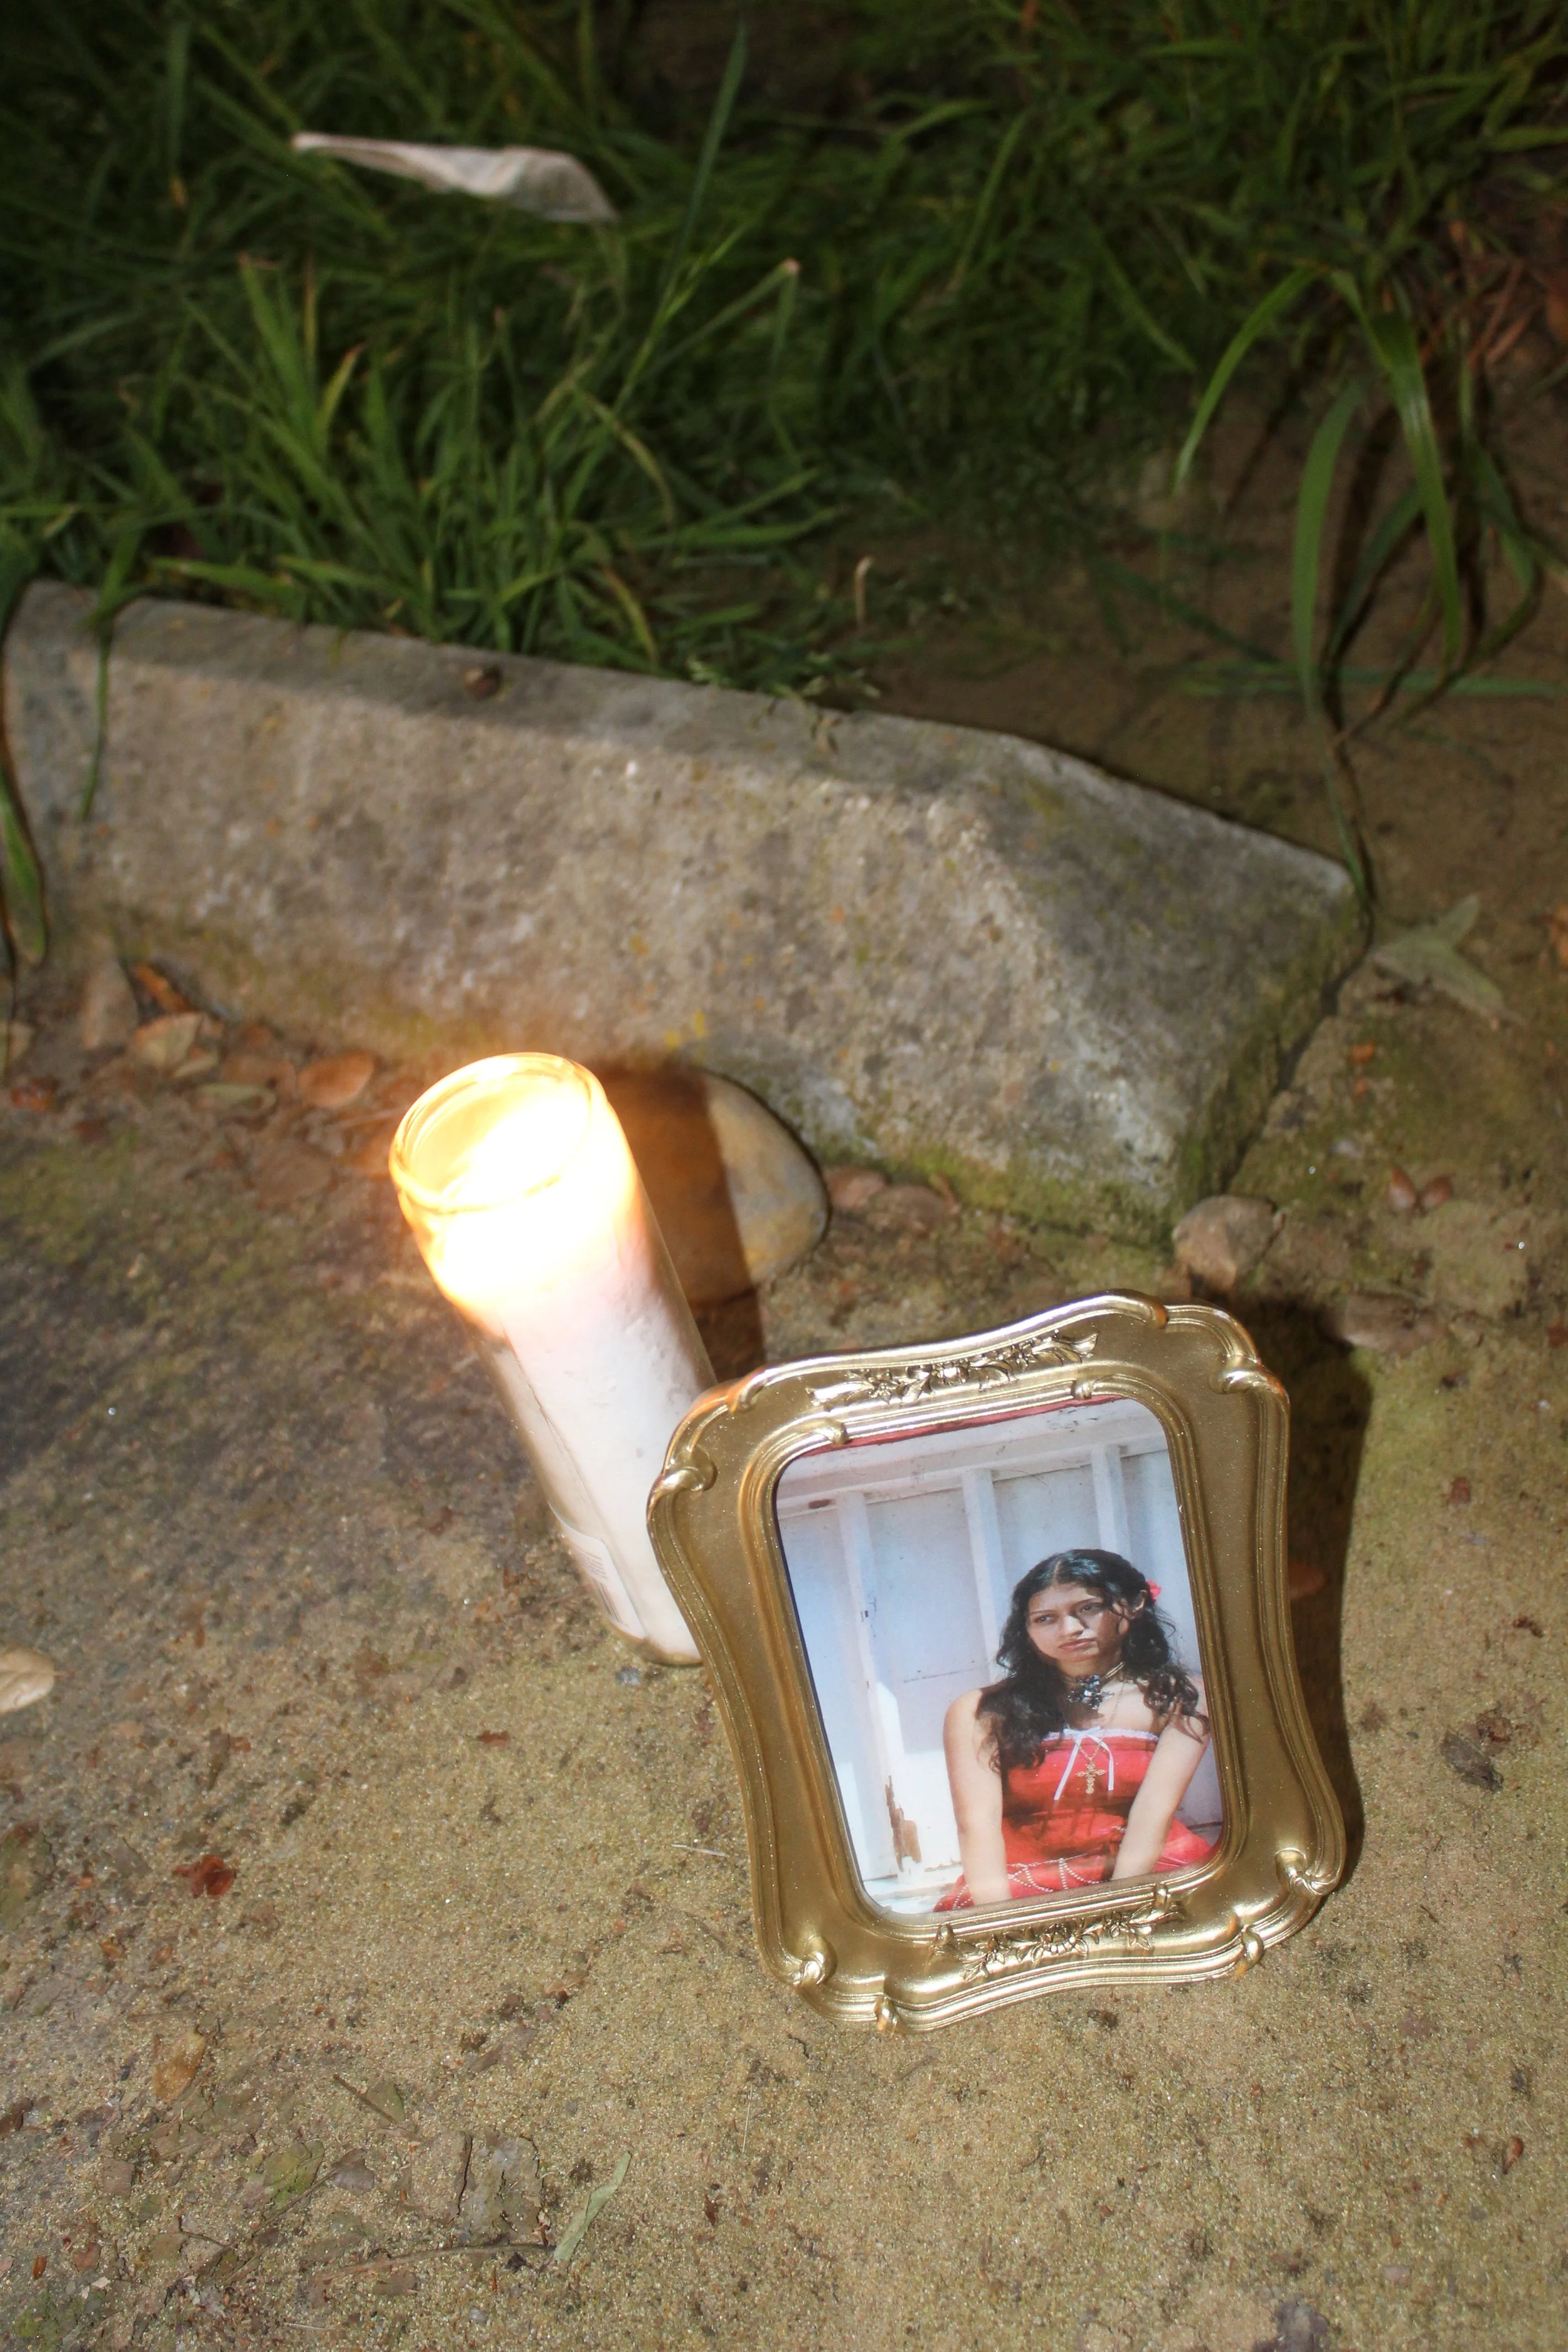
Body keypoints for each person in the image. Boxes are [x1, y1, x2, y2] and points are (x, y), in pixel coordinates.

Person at [937, 1549, 1216, 1910]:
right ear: (1026, 1629)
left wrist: (1121, 1912)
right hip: (1020, 1888)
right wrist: (1004, 1925)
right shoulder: (980, 1710)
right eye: (1045, 1618)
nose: (1069, 1630)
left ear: (1134, 1604)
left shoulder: (1180, 1696)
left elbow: (1155, 1812)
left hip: (1146, 1875)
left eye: (1087, 1608)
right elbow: (977, 1827)